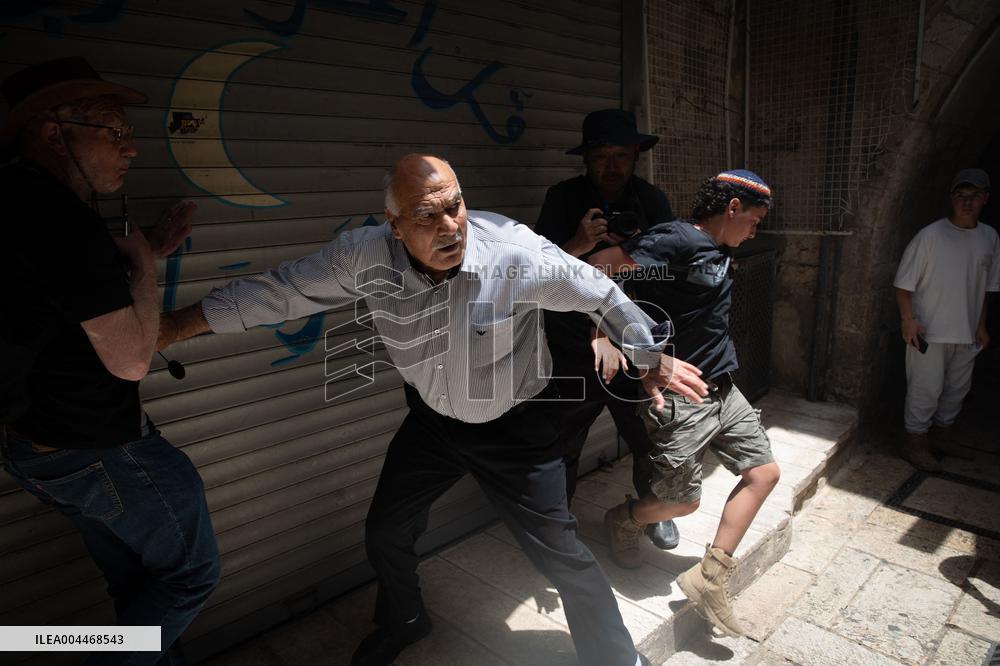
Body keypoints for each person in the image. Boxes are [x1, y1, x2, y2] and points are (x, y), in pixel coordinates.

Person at [157, 154, 709, 666]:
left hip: (517, 427)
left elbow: (599, 292)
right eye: (427, 216)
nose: (450, 227)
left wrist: (645, 355)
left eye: (455, 206)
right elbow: (281, 291)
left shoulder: (515, 256)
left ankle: (615, 659)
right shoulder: (363, 255)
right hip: (433, 420)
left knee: (561, 555)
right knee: (385, 532)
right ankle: (406, 619)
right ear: (394, 226)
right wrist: (176, 327)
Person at [0, 58, 219, 664]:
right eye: (114, 132)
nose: (131, 149)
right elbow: (128, 361)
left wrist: (138, 247)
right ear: (52, 132)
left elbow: (58, 299)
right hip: (100, 452)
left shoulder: (17, 200)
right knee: (188, 579)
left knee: (136, 586)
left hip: (40, 449)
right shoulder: (57, 217)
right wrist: (145, 266)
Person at [589, 170, 782, 638]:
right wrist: (621, 344)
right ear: (732, 209)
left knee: (764, 473)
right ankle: (624, 519)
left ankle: (710, 579)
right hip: (679, 396)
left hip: (722, 385)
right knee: (682, 504)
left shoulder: (720, 248)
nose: (755, 232)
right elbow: (596, 269)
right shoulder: (673, 240)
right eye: (753, 221)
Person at [534, 108, 680, 551]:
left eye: (621, 154)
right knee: (561, 444)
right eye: (602, 155)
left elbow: (671, 272)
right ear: (587, 158)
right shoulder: (562, 199)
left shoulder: (652, 203)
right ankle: (556, 526)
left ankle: (652, 511)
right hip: (574, 347)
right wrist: (579, 243)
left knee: (651, 436)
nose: (612, 164)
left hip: (635, 346)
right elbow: (537, 274)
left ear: (636, 154)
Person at [894, 168, 999, 470]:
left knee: (957, 389)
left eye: (974, 196)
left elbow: (986, 288)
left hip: (967, 331)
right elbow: (904, 284)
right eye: (961, 196)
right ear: (951, 199)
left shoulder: (989, 238)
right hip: (928, 330)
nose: (967, 202)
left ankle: (942, 436)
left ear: (985, 199)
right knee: (925, 389)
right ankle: (914, 442)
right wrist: (908, 320)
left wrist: (980, 325)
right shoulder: (930, 236)